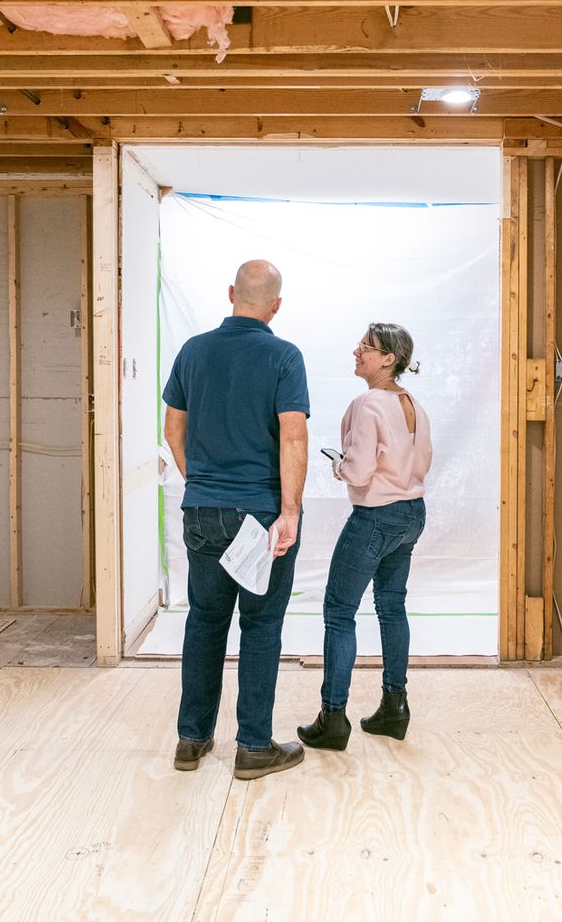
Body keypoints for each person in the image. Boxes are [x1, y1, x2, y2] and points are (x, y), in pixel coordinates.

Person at [163, 259, 310, 781]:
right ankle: (252, 747)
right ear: (277, 305)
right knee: (261, 625)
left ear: (231, 293)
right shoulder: (284, 356)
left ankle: (191, 739)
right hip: (261, 514)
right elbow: (293, 435)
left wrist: (201, 482)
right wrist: (289, 511)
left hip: (202, 510)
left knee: (204, 622)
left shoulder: (193, 351)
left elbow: (173, 430)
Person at [298, 322, 431, 751]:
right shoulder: (414, 404)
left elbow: (358, 471)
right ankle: (395, 707)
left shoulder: (368, 403)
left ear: (389, 359)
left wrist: (338, 466)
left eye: (366, 347)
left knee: (339, 612)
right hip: (411, 513)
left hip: (375, 516)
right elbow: (422, 461)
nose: (357, 351)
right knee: (392, 607)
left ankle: (333, 718)